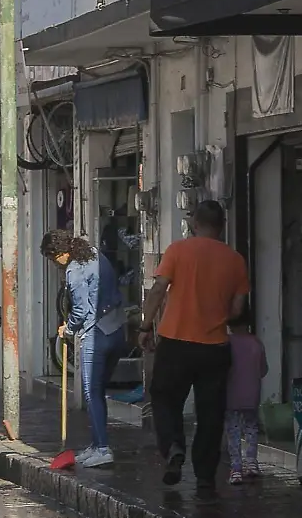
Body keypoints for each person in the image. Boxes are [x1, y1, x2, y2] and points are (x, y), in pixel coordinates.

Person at [139, 201, 250, 490]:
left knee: (164, 398)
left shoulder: (178, 250)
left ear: (194, 223)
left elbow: (159, 289)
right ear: (222, 226)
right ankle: (204, 476)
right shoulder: (235, 260)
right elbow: (238, 309)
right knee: (211, 412)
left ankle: (174, 447)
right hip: (215, 346)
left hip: (176, 342)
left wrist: (144, 325)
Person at [40, 229, 128, 468]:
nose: (54, 264)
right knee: (98, 392)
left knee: (91, 392)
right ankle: (96, 443)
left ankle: (102, 449)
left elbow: (81, 311)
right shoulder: (94, 254)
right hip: (118, 328)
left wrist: (67, 329)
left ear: (58, 254)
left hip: (96, 335)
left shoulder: (74, 270)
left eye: (52, 259)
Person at [225, 305, 267, 485]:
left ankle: (236, 469)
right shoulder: (256, 343)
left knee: (233, 431)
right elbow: (263, 370)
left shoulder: (226, 343)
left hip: (231, 395)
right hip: (252, 394)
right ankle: (252, 463)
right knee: (251, 427)